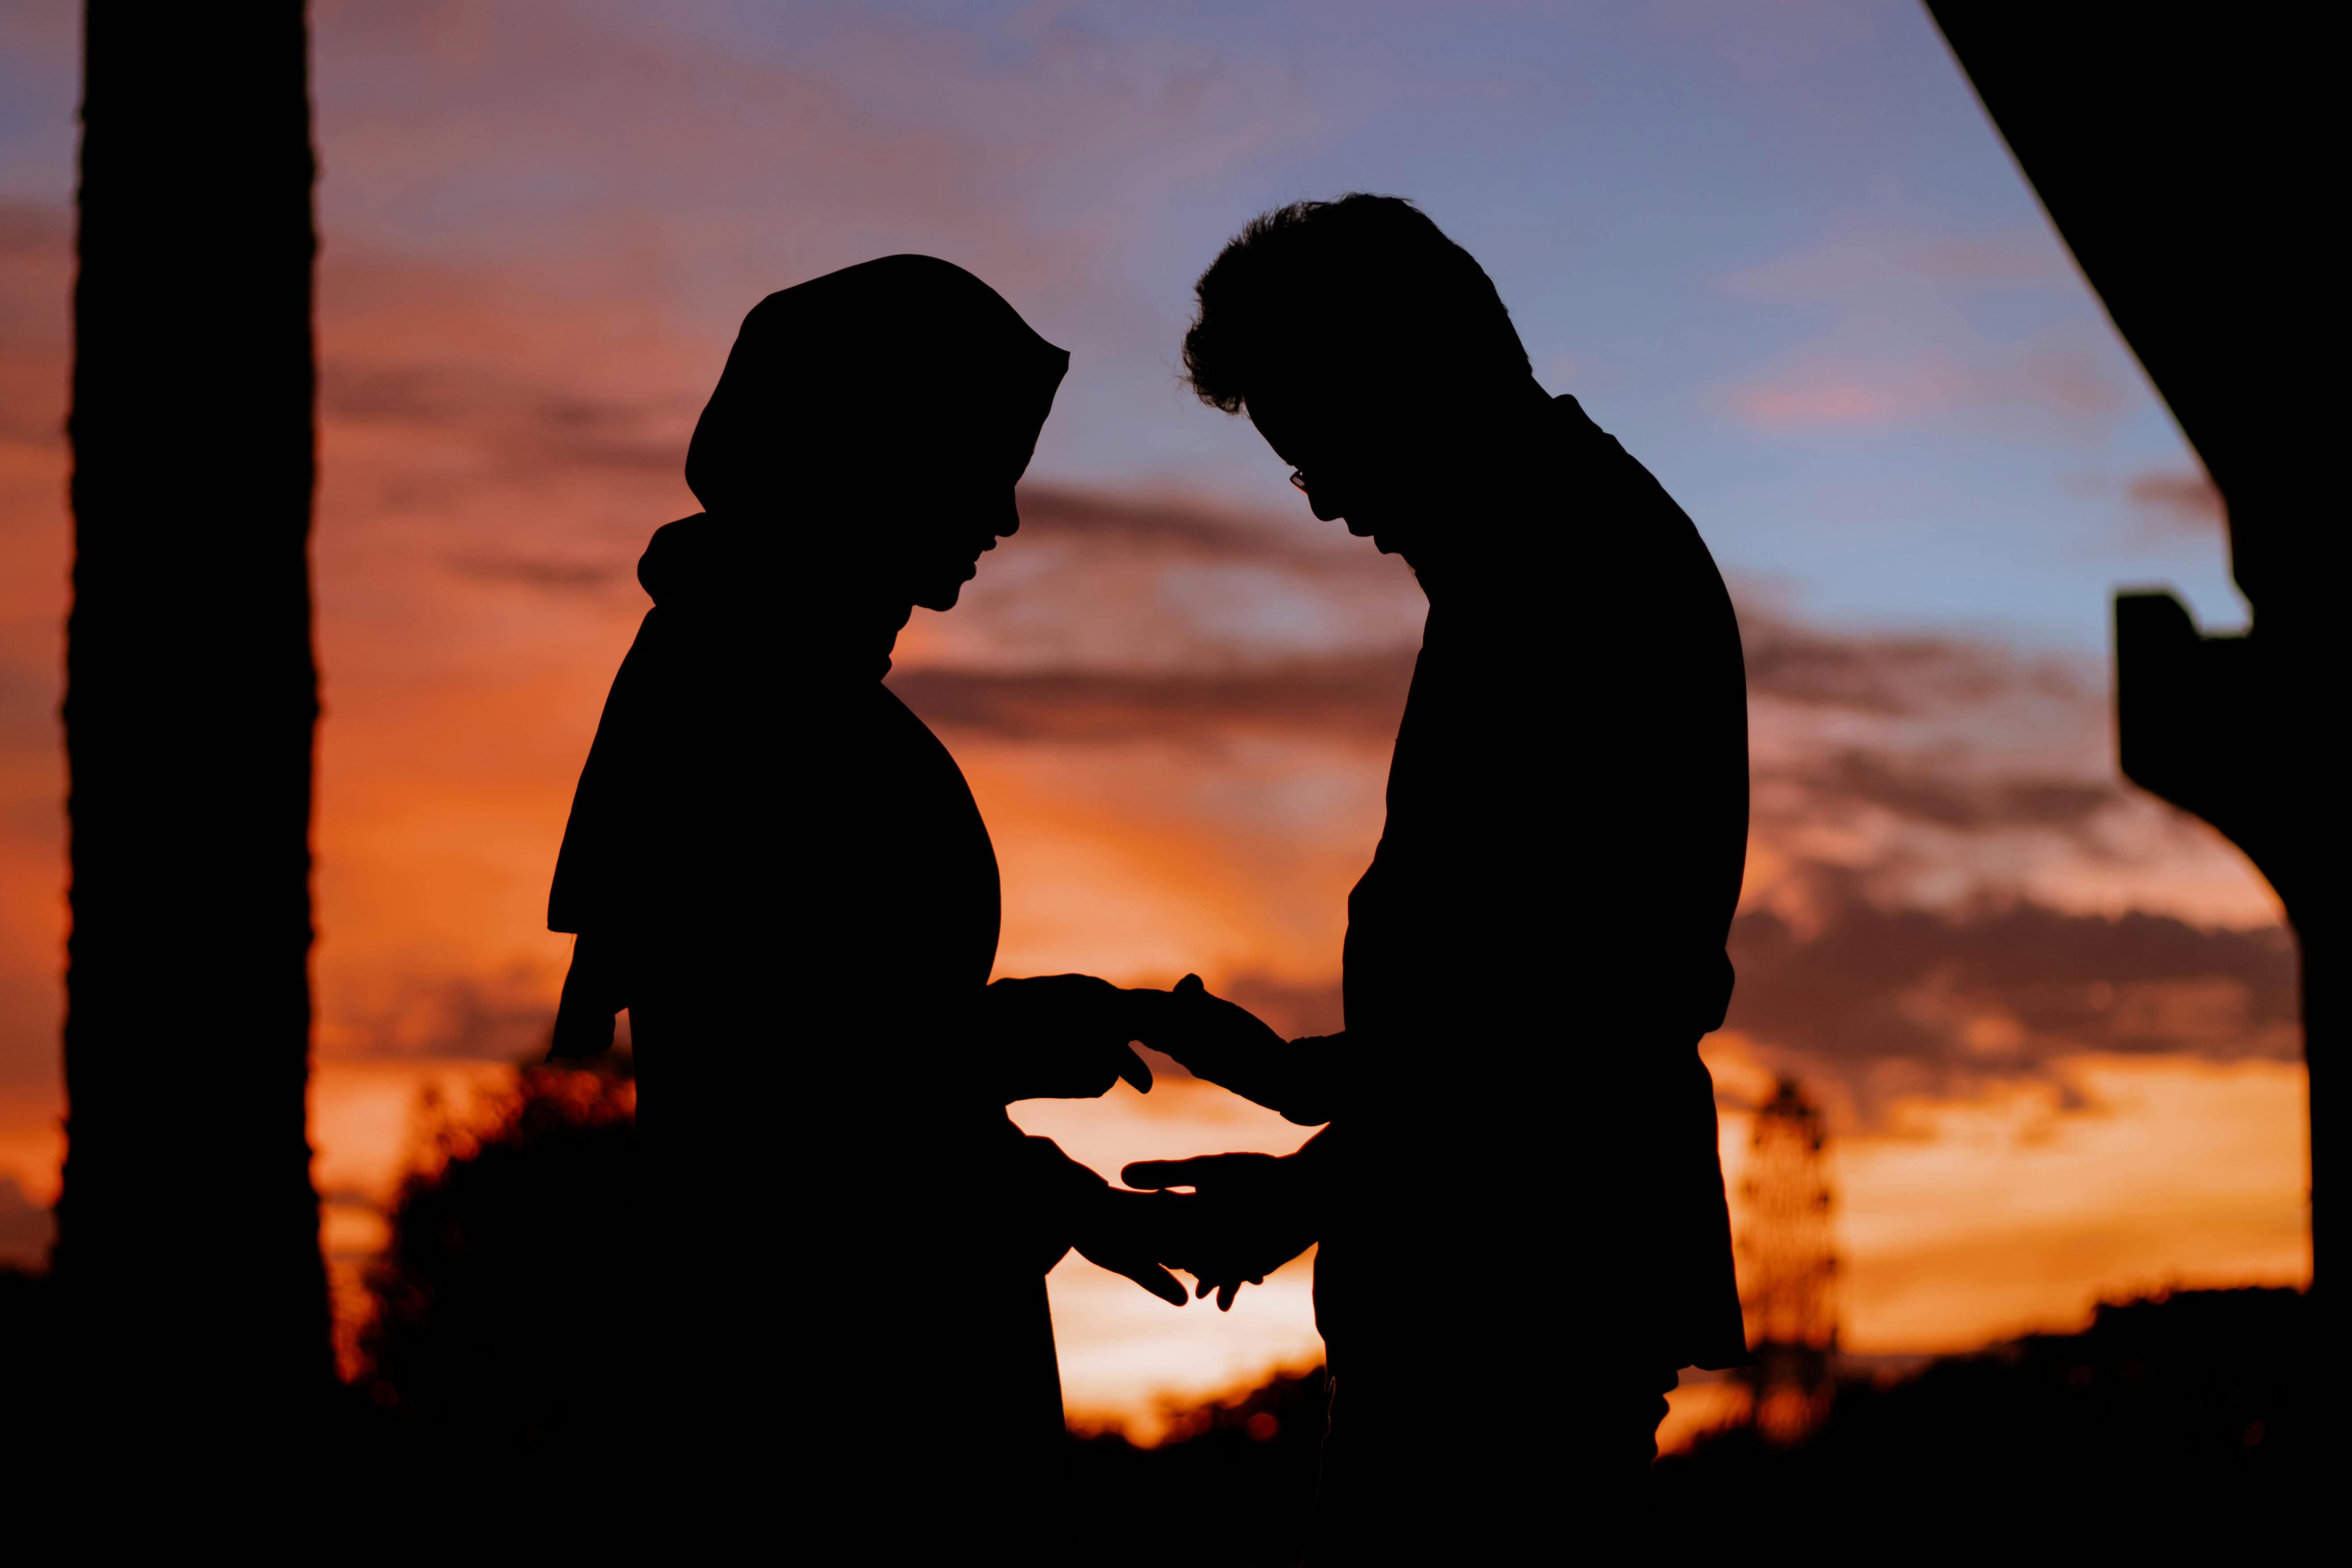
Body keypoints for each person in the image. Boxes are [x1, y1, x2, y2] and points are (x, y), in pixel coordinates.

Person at [1125, 195, 1752, 1559]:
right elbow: (1526, 993)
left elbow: (1581, 1015)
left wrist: (1310, 1187)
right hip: (1521, 1280)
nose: (1334, 503)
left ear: (1415, 375)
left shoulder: (1568, 576)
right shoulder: (1556, 554)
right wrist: (1321, 1080)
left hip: (1518, 1299)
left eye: (1328, 451)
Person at [542, 255, 1185, 1546]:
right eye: (978, 458)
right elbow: (784, 1110)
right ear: (871, 450)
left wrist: (1042, 1038)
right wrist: (1024, 1113)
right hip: (838, 1413)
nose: (1004, 513)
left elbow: (848, 1037)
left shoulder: (762, 686)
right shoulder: (749, 709)